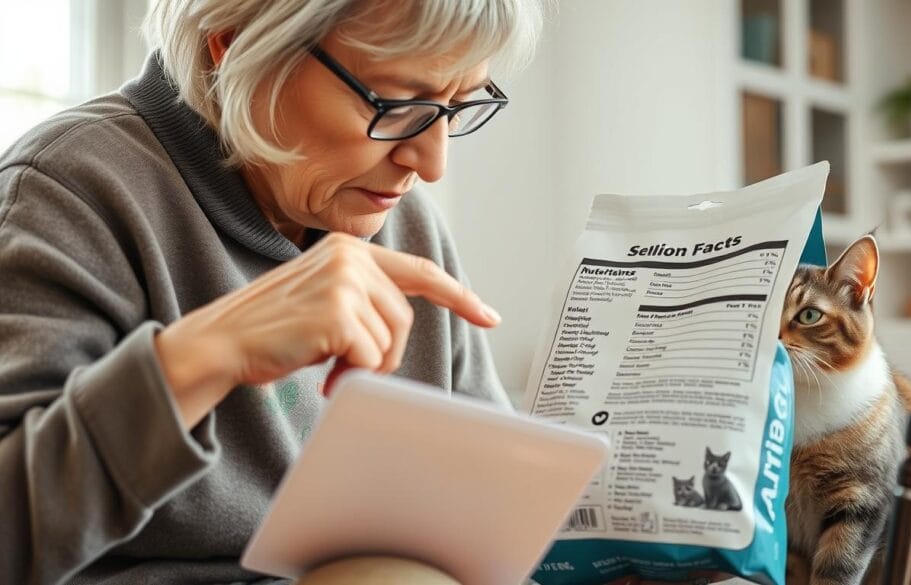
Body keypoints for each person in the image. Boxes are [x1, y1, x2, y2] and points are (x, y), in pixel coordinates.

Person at [0, 0, 542, 583]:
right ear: (234, 45)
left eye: (458, 107)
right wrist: (207, 354)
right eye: (397, 103)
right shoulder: (68, 190)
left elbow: (492, 531)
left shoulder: (409, 229)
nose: (431, 163)